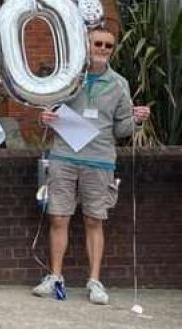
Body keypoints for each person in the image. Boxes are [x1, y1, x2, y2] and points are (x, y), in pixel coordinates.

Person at [32, 26, 150, 305]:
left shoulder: (119, 84)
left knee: (94, 220)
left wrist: (137, 119)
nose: (102, 49)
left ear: (113, 50)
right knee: (58, 217)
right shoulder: (68, 79)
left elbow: (121, 129)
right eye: (97, 43)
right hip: (63, 156)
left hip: (99, 160)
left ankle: (95, 281)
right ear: (87, 45)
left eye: (108, 45)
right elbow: (47, 111)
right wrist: (43, 118)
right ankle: (55, 277)